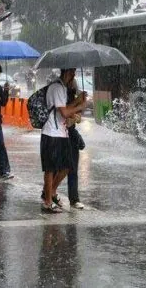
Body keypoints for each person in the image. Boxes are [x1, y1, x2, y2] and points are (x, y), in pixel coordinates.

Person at [40, 68, 87, 213]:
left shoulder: (62, 88)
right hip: (52, 133)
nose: (74, 76)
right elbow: (64, 112)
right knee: (50, 169)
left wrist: (78, 101)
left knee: (67, 166)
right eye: (72, 73)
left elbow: (64, 108)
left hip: (61, 133)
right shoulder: (58, 87)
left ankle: (51, 192)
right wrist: (80, 106)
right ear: (67, 73)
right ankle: (47, 202)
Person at [65, 79, 86, 209]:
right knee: (59, 169)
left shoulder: (74, 95)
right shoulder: (60, 92)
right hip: (59, 135)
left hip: (71, 135)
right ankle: (48, 194)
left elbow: (76, 120)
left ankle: (74, 198)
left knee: (73, 169)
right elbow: (65, 117)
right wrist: (78, 104)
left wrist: (77, 116)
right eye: (71, 73)